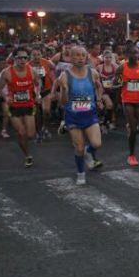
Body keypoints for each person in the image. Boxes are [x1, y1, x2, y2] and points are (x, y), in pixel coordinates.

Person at [56, 46, 104, 185]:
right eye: (77, 55)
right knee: (79, 148)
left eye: (83, 55)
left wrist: (99, 99)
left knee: (97, 143)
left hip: (90, 114)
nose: (80, 58)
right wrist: (64, 91)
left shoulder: (93, 72)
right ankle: (81, 173)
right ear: (71, 58)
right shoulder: (65, 76)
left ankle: (89, 153)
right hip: (73, 116)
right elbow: (62, 103)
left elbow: (99, 87)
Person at [0, 48, 41, 167]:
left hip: (28, 106)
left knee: (31, 134)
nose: (23, 60)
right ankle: (28, 155)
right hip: (14, 107)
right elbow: (0, 88)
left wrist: (38, 95)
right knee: (22, 132)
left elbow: (38, 84)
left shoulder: (32, 71)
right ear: (14, 59)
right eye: (20, 58)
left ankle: (24, 140)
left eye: (25, 58)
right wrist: (6, 97)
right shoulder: (7, 72)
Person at [114, 46, 139, 166]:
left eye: (137, 53)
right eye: (133, 53)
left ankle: (132, 127)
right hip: (127, 100)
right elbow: (114, 84)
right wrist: (121, 83)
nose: (135, 55)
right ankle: (132, 155)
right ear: (127, 55)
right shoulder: (121, 67)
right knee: (133, 130)